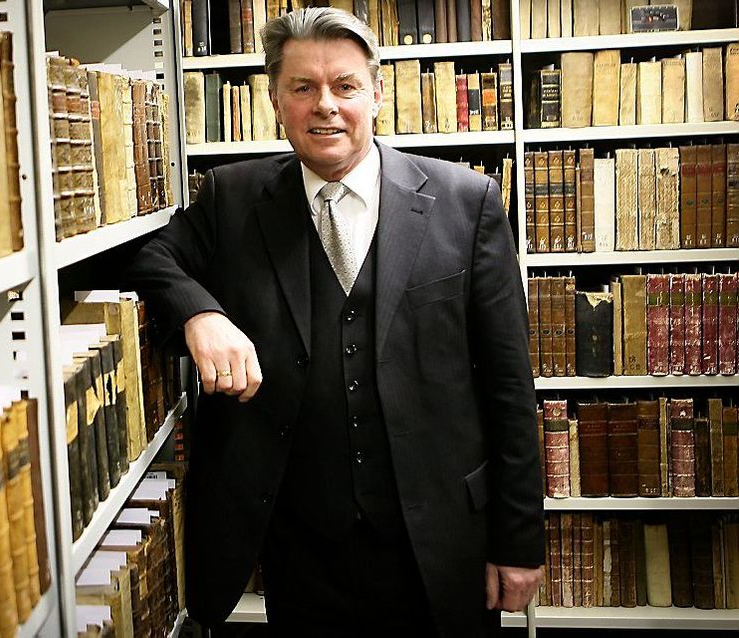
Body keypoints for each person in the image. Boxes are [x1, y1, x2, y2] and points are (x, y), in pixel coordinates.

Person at [125, 7, 543, 636]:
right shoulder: (232, 199)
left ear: (377, 93)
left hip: (441, 540)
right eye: (302, 87)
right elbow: (151, 259)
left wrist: (518, 542)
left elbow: (510, 390)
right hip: (300, 553)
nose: (325, 105)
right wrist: (200, 311)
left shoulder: (467, 203)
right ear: (274, 100)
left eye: (344, 86)